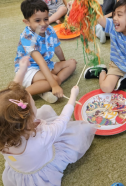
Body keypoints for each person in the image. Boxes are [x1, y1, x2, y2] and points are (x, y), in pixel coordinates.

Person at [0, 56, 96, 186]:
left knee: (44, 111)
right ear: (28, 120)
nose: (35, 106)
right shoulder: (42, 136)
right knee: (80, 131)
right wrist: (73, 97)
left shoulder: (4, 132)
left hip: (21, 166)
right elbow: (62, 121)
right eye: (34, 104)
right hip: (41, 168)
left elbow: (12, 95)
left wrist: (22, 70)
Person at [14, 0, 76, 103]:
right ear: (27, 22)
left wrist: (63, 62)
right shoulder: (27, 36)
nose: (43, 24)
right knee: (55, 80)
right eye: (37, 20)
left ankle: (44, 88)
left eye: (46, 19)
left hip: (47, 64)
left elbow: (57, 49)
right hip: (29, 69)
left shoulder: (50, 29)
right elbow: (40, 62)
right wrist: (54, 84)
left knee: (72, 63)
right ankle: (23, 95)